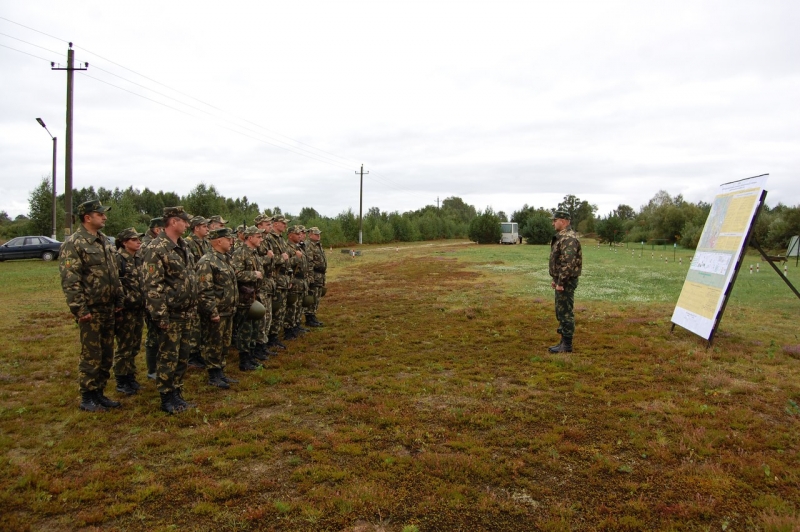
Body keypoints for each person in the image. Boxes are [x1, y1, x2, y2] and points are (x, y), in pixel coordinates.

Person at [59, 199, 124, 412]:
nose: (104, 217)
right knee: (91, 353)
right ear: (88, 217)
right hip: (91, 309)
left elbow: (114, 274)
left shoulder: (104, 240)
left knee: (107, 352)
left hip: (109, 307)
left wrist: (118, 300)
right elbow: (71, 279)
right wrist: (80, 309)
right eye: (100, 214)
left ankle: (100, 392)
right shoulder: (74, 243)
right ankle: (88, 395)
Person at [142, 206, 199, 414]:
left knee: (182, 356)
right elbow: (152, 286)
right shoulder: (156, 248)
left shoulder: (183, 246)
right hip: (170, 313)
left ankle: (177, 393)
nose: (187, 224)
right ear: (174, 222)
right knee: (168, 357)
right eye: (185, 221)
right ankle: (166, 397)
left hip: (186, 312)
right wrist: (160, 316)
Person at [196, 227, 239, 388]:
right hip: (216, 311)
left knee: (223, 344)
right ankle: (213, 374)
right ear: (218, 241)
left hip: (227, 310)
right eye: (229, 239)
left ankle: (221, 371)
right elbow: (204, 290)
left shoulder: (224, 258)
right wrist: (212, 311)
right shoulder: (207, 262)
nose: (232, 242)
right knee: (213, 343)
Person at [113, 227, 146, 395]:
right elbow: (115, 284)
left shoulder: (139, 258)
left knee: (134, 345)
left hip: (138, 309)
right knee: (124, 346)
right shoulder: (118, 259)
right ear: (125, 242)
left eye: (139, 239)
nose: (138, 242)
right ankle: (121, 379)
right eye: (134, 240)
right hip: (125, 309)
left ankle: (130, 376)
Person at [232, 226, 266, 370]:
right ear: (250, 238)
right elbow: (236, 273)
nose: (261, 239)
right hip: (244, 296)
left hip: (254, 294)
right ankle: (244, 360)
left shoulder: (254, 253)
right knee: (245, 329)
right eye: (258, 237)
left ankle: (251, 355)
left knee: (254, 327)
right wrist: (254, 275)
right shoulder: (240, 253)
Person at [548, 210, 582, 353]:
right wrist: (556, 280)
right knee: (561, 311)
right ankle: (563, 342)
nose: (553, 223)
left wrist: (561, 282)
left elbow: (568, 263)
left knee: (565, 312)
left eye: (555, 220)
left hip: (566, 281)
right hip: (562, 280)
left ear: (563, 221)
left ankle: (567, 345)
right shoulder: (562, 237)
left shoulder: (568, 238)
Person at [140, 216, 164, 378]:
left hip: (158, 296)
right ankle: (152, 369)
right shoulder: (149, 246)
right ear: (157, 230)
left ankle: (159, 366)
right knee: (153, 336)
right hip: (151, 296)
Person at [185, 215, 210, 369]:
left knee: (203, 321)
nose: (207, 228)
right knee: (194, 322)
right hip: (195, 286)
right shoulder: (188, 243)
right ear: (196, 228)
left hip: (205, 285)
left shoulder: (206, 242)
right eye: (204, 226)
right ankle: (192, 355)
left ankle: (199, 351)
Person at [265, 215, 292, 349]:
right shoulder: (269, 239)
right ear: (275, 224)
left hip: (284, 279)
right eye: (283, 223)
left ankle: (274, 336)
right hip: (276, 279)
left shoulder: (281, 239)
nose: (285, 226)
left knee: (281, 309)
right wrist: (281, 258)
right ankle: (270, 338)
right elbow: (267, 259)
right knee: (275, 310)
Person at [284, 225, 308, 340]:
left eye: (300, 234)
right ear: (290, 235)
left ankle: (296, 325)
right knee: (291, 306)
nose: (300, 236)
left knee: (298, 305)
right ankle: (289, 328)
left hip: (301, 280)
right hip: (294, 280)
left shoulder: (298, 247)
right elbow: (286, 265)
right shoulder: (287, 247)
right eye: (297, 234)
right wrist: (296, 258)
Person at [304, 227, 327, 327]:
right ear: (310, 235)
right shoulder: (309, 245)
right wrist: (311, 277)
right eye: (316, 234)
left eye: (319, 234)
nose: (318, 236)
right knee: (312, 297)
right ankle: (309, 317)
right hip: (314, 274)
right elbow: (309, 262)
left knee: (317, 297)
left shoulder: (318, 245)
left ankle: (313, 315)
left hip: (320, 275)